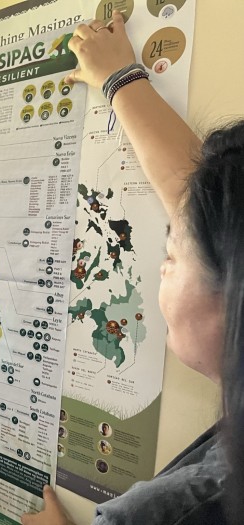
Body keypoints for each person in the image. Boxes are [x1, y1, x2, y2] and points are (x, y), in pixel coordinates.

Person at [22, 12, 242, 525]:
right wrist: (121, 78)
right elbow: (207, 208)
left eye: (171, 255)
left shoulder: (173, 511)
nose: (161, 270)